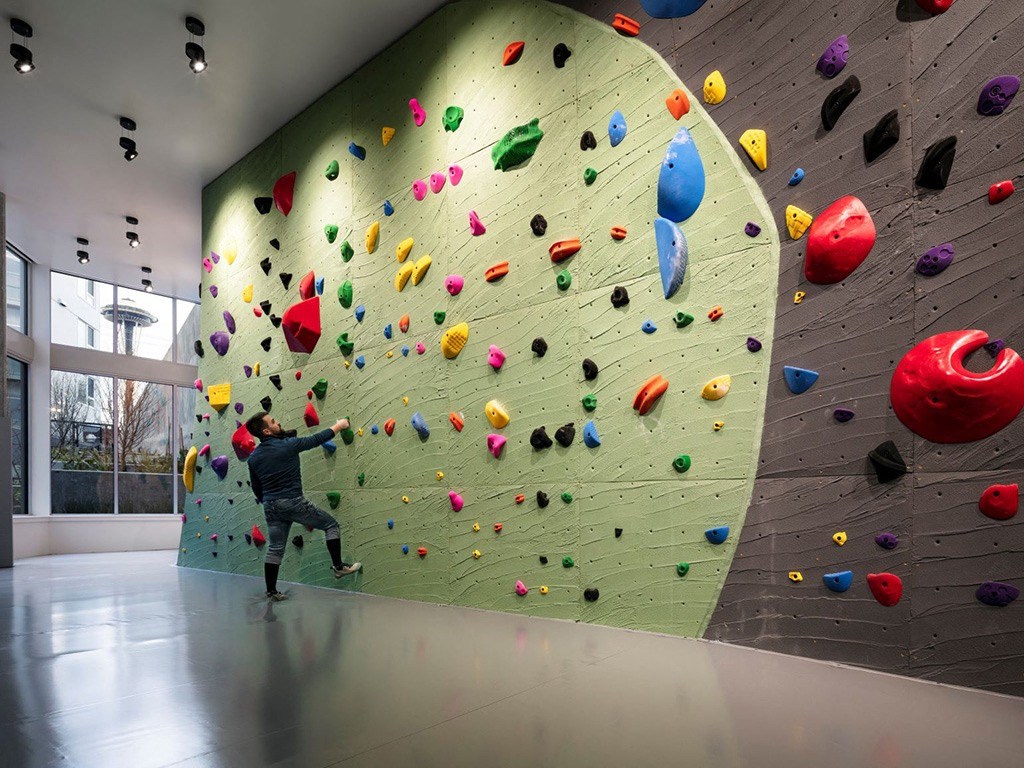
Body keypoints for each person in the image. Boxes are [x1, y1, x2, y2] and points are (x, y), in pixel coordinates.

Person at [244, 411, 360, 601]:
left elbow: (257, 488)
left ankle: (272, 592)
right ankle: (339, 567)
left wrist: (270, 501)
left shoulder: (254, 458)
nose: (278, 422)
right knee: (331, 525)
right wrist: (339, 426)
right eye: (273, 421)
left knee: (275, 548)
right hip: (292, 501)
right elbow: (316, 439)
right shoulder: (288, 445)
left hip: (270, 505)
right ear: (266, 431)